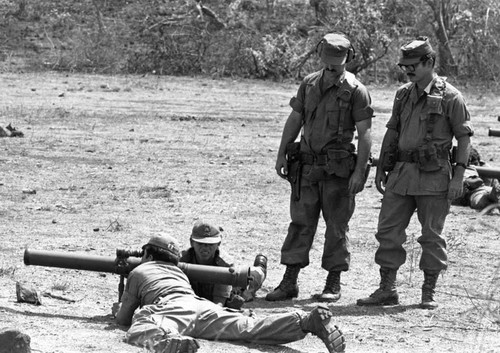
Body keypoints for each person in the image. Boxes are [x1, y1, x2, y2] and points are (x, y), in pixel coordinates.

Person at [357, 36, 473, 310]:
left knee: (431, 235)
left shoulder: (452, 97)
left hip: (434, 177)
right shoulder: (403, 94)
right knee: (388, 232)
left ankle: (428, 292)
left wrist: (458, 177)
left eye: (412, 66)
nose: (407, 71)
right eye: (403, 66)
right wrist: (382, 168)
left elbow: (464, 139)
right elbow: (392, 131)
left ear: (429, 62)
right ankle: (387, 289)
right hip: (401, 174)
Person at [266, 33, 374, 302]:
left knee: (337, 227)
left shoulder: (356, 91)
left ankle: (333, 283)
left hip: (337, 172)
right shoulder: (309, 83)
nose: (331, 66)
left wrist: (360, 172)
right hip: (306, 168)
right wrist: (281, 153)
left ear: (348, 59)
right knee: (300, 223)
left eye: (336, 62)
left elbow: (366, 133)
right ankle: (290, 281)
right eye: (327, 61)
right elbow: (295, 118)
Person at [112, 234, 346, 353]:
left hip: (171, 309)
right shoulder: (179, 271)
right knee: (250, 328)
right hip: (202, 307)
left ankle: (167, 341)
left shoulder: (141, 269)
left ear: (149, 256)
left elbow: (123, 320)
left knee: (141, 324)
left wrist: (119, 311)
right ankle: (304, 321)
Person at [179, 220, 267, 309]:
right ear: (191, 242)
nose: (205, 248)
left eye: (210, 244)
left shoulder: (225, 266)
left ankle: (260, 268)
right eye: (200, 243)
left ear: (219, 243)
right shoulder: (181, 260)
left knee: (248, 283)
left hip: (231, 290)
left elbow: (219, 302)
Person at [452, 147, 500, 211]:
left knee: (481, 199)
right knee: (482, 200)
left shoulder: (486, 169)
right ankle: (492, 196)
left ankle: (492, 195)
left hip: (480, 191)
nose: (474, 166)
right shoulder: (456, 169)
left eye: (475, 164)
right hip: (475, 194)